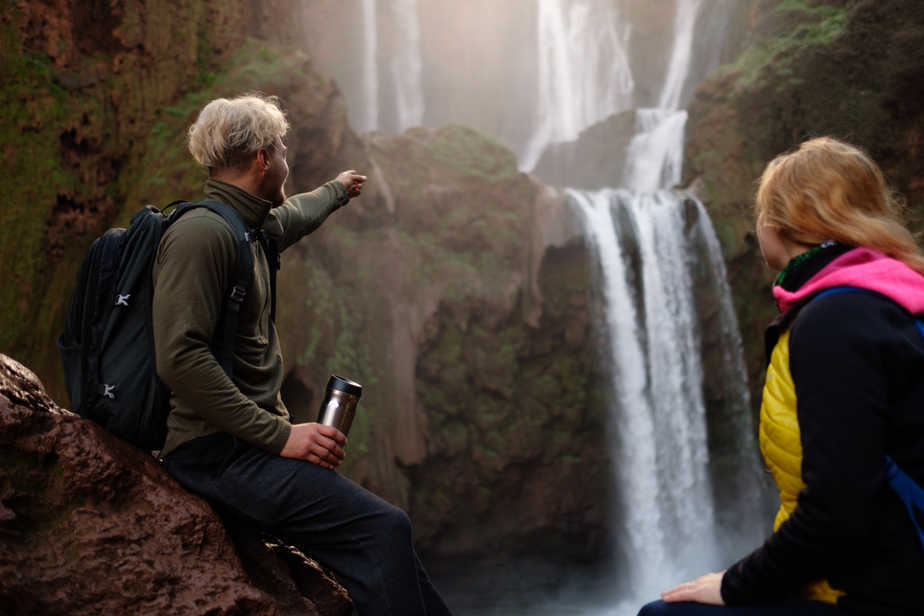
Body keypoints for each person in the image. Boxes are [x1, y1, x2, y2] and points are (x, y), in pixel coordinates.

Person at [153, 93, 453, 616]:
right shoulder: (201, 235)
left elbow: (292, 216)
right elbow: (179, 357)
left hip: (243, 448)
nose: (289, 158)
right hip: (214, 455)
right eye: (283, 149)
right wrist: (282, 436)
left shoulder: (249, 226)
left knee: (389, 538)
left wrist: (336, 191)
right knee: (384, 528)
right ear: (262, 160)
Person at [637, 137, 924, 616]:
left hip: (880, 591)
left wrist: (734, 584)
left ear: (780, 224)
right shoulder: (894, 301)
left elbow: (839, 507)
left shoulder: (836, 321)